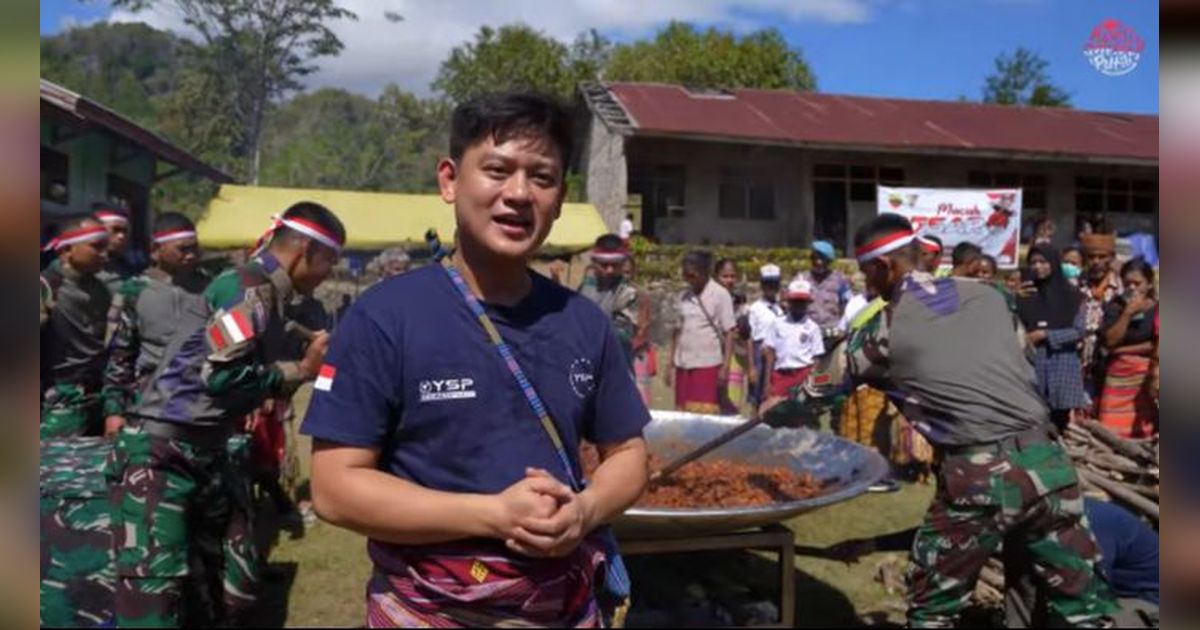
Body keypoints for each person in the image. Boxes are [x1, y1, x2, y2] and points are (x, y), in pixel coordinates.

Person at [300, 92, 650, 627]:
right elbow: (334, 487)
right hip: (430, 608)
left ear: (559, 200)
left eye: (542, 177)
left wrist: (584, 512)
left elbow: (627, 454)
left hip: (566, 605)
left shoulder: (584, 322)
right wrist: (491, 514)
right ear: (449, 180)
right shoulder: (384, 319)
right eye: (497, 170)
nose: (518, 194)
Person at [844, 214, 1115, 627]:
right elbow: (1021, 358)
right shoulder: (992, 298)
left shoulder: (885, 325)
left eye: (867, 273)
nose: (868, 284)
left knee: (934, 607)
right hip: (1049, 462)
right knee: (1083, 604)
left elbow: (817, 387)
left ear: (884, 267)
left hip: (979, 475)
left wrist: (779, 412)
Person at [108, 201, 344, 627]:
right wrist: (301, 370)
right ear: (305, 250)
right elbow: (219, 377)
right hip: (164, 454)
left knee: (223, 588)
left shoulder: (268, 293)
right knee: (153, 594)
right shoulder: (246, 288)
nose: (329, 272)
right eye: (330, 260)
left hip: (206, 449)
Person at [101, 212, 209, 439]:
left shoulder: (211, 289)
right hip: (147, 402)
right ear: (155, 250)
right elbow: (119, 354)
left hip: (201, 401)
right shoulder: (134, 291)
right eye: (182, 249)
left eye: (194, 248)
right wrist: (114, 410)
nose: (190, 256)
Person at [40, 215, 112, 438]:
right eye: (96, 247)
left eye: (106, 247)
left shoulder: (101, 289)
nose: (105, 254)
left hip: (99, 396)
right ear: (66, 250)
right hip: (60, 399)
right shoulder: (46, 286)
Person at [1017, 245, 1087, 433]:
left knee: (1059, 422)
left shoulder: (1074, 297)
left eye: (1043, 262)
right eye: (1033, 263)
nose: (1038, 267)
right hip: (1033, 363)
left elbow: (1078, 331)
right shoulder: (1026, 294)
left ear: (1054, 264)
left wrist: (1045, 335)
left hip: (1061, 365)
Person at [667, 250, 736, 414]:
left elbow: (729, 333)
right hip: (684, 363)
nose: (688, 279)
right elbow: (678, 330)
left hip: (707, 365)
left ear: (704, 272)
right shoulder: (684, 296)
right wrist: (670, 363)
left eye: (692, 275)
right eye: (686, 275)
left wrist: (725, 367)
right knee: (681, 412)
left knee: (702, 413)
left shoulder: (720, 295)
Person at [1099, 258, 1159, 438]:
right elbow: (1110, 340)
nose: (1132, 288)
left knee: (1143, 427)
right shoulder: (1116, 307)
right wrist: (1128, 313)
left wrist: (1121, 351)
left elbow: (1155, 345)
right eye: (1128, 284)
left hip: (1144, 377)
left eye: (1137, 283)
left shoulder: (1157, 309)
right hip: (1117, 377)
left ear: (1149, 284)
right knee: (1110, 427)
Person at [761, 279, 824, 419]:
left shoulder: (812, 327)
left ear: (808, 303)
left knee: (802, 415)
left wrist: (812, 380)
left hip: (803, 374)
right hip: (781, 375)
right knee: (775, 414)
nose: (798, 305)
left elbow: (817, 358)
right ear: (789, 301)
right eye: (795, 301)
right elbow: (770, 353)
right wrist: (767, 382)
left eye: (802, 302)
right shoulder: (777, 324)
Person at [579, 234, 641, 366]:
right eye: (604, 265)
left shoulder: (628, 293)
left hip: (615, 364)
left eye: (615, 265)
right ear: (594, 262)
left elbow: (624, 333)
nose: (609, 270)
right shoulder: (585, 287)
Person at [1079, 232, 1123, 409]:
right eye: (1091, 257)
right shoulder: (1075, 284)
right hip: (1080, 362)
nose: (1096, 261)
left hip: (1110, 361)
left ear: (1111, 258)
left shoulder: (1121, 287)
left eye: (1102, 257)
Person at [714, 258, 750, 414]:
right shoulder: (710, 298)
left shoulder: (740, 300)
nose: (729, 280)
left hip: (736, 354)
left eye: (732, 276)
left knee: (733, 400)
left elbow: (745, 330)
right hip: (714, 354)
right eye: (724, 276)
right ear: (716, 276)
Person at [746, 264, 784, 408]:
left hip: (776, 354)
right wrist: (751, 367)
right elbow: (749, 337)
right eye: (767, 284)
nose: (771, 288)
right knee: (757, 396)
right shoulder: (755, 308)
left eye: (774, 284)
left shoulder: (782, 309)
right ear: (762, 285)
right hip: (759, 353)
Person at [799, 240, 851, 331]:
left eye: (823, 259)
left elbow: (847, 305)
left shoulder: (839, 280)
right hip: (806, 331)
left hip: (832, 331)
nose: (819, 262)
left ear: (829, 261)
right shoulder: (801, 279)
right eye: (815, 258)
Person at [93, 203, 142, 294]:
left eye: (125, 231)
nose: (121, 236)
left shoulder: (128, 267)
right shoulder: (86, 267)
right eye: (116, 230)